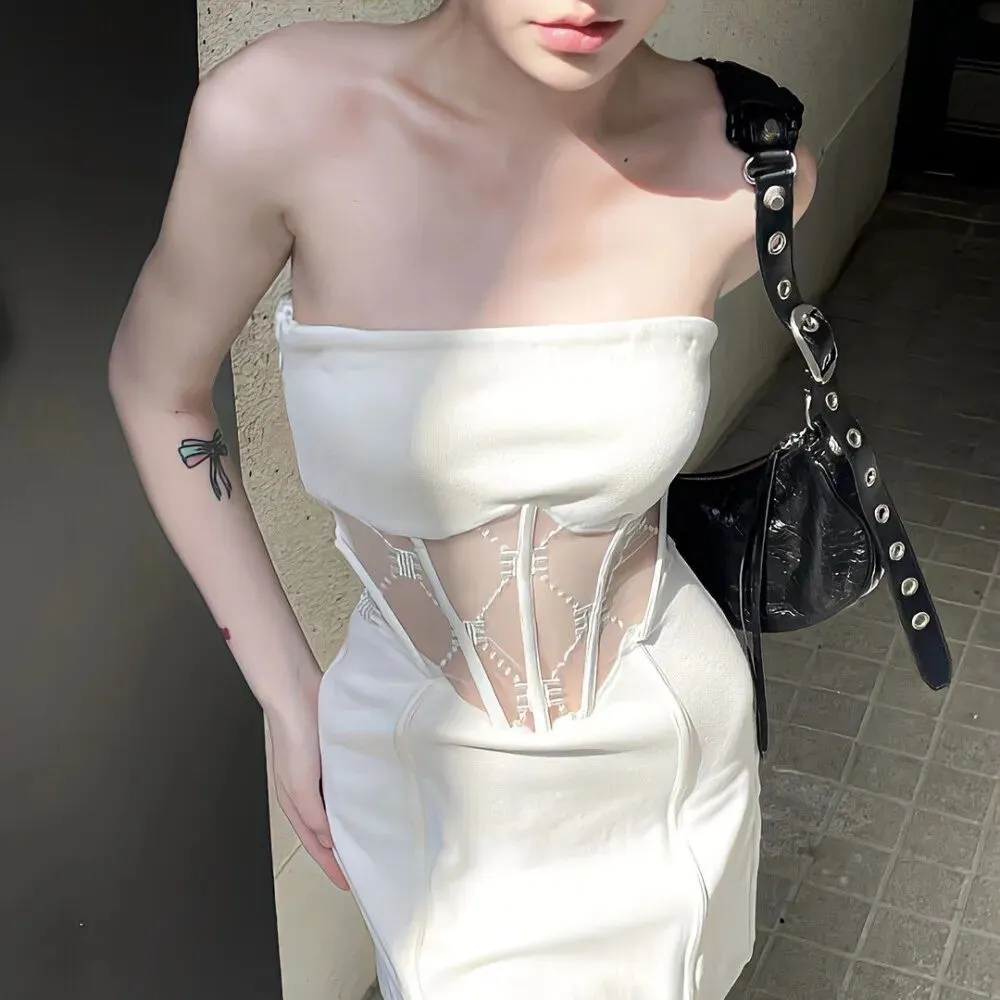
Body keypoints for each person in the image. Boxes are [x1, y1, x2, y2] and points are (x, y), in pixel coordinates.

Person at [109, 2, 817, 998]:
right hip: (420, 764)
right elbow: (157, 388)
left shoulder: (747, 161)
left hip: (667, 743)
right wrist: (287, 693)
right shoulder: (280, 115)